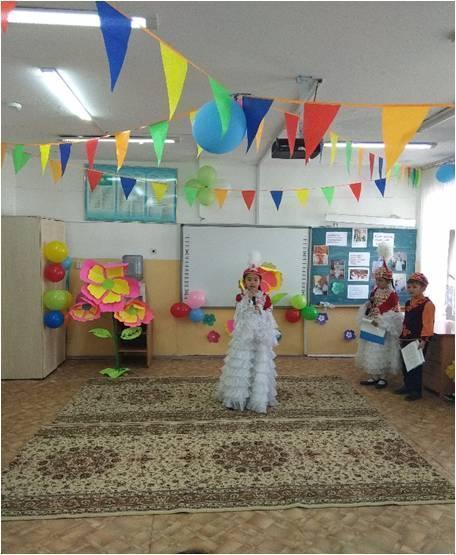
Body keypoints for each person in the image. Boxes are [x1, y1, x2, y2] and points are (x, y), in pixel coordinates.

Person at [217, 254, 279, 413]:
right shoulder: (240, 296)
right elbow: (239, 315)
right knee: (242, 363)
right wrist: (247, 301)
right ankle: (236, 398)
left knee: (258, 363)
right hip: (244, 335)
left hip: (259, 335)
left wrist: (260, 309)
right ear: (244, 282)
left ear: (260, 282)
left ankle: (257, 397)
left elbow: (269, 316)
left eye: (255, 280)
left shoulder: (265, 297)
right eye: (249, 279)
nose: (252, 282)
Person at [356, 244, 404, 389]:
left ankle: (383, 377)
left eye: (381, 280)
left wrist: (381, 315)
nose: (378, 283)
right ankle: (374, 376)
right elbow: (372, 303)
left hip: (384, 327)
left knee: (383, 351)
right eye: (377, 280)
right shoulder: (375, 291)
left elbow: (394, 310)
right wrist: (369, 306)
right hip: (373, 324)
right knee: (371, 349)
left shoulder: (392, 294)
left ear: (388, 281)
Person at [394, 272, 435, 401]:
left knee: (415, 365)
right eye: (409, 287)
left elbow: (428, 323)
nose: (411, 289)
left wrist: (424, 340)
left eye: (415, 287)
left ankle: (416, 391)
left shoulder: (428, 304)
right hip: (406, 338)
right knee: (406, 363)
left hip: (418, 340)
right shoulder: (408, 303)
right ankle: (407, 385)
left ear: (423, 288)